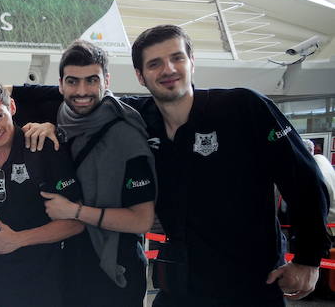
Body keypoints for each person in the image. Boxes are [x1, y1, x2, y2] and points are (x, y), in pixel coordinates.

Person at [126, 25, 330, 306]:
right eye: (155, 63)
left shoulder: (243, 108)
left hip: (249, 285)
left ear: (192, 62)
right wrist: (45, 123)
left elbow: (303, 178)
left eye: (177, 58)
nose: (168, 69)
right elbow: (79, 100)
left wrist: (308, 258)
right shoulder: (137, 118)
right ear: (140, 76)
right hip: (181, 285)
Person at [38, 40, 156, 306]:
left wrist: (74, 212)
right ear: (60, 84)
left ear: (107, 80)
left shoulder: (126, 135)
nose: (81, 91)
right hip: (72, 266)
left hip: (115, 267)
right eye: (72, 81)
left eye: (91, 80)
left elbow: (142, 220)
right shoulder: (63, 118)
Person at [0, 80, 83, 306]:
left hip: (44, 284)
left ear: (11, 107)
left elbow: (76, 223)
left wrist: (19, 239)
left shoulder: (43, 148)